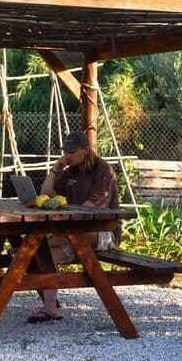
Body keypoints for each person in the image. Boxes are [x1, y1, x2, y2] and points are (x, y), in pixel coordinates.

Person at [26, 130, 120, 324]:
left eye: (71, 152)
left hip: (102, 232)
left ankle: (23, 251)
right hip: (74, 231)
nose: (66, 156)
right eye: (65, 152)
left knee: (37, 248)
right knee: (43, 255)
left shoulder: (103, 170)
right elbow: (45, 195)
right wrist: (55, 169)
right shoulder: (70, 171)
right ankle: (50, 307)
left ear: (86, 150)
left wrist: (63, 224)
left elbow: (91, 209)